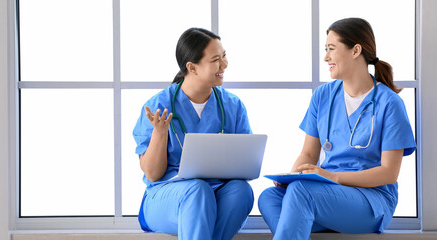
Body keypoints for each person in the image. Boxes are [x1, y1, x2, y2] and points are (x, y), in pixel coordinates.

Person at [258, 18, 416, 239]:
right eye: (325, 50)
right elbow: (309, 153)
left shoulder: (389, 103)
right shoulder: (322, 96)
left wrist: (333, 177)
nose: (326, 57)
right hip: (326, 194)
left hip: (370, 200)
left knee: (300, 192)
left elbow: (389, 173)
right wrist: (291, 177)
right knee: (270, 197)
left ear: (356, 50)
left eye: (331, 49)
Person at [132, 27, 254, 240]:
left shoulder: (232, 106)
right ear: (192, 67)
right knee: (197, 190)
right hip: (167, 198)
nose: (224, 65)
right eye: (216, 59)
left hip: (216, 193)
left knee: (242, 191)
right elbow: (152, 174)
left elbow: (244, 165)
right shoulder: (158, 106)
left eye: (224, 56)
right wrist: (160, 134)